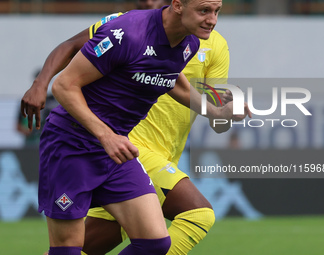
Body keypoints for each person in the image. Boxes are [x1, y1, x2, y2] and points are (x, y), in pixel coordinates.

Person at [21, 1, 243, 255]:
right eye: (204, 10)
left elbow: (173, 81)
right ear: (179, 5)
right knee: (68, 250)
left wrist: (215, 111)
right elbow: (64, 86)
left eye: (217, 11)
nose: (212, 20)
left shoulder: (189, 44)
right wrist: (106, 135)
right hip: (72, 143)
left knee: (155, 243)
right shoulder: (128, 31)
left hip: (116, 151)